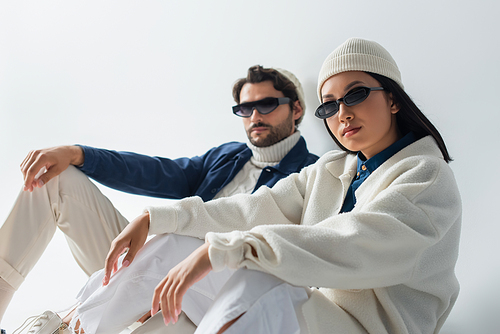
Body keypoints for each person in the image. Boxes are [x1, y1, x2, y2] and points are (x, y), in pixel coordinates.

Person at [18, 37, 462, 334]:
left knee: (255, 280)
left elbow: (355, 243)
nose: (342, 113)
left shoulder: (425, 176)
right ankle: (69, 329)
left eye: (357, 94)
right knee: (175, 241)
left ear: (393, 98)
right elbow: (245, 207)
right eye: (332, 106)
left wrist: (227, 250)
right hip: (301, 310)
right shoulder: (329, 171)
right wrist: (156, 217)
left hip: (358, 326)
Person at [0, 65, 318, 332]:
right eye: (245, 108)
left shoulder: (313, 174)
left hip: (218, 295)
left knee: (183, 245)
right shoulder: (227, 157)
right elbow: (156, 171)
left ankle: (76, 323)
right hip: (149, 266)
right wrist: (77, 153)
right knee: (59, 178)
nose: (254, 116)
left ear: (296, 108)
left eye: (266, 105)